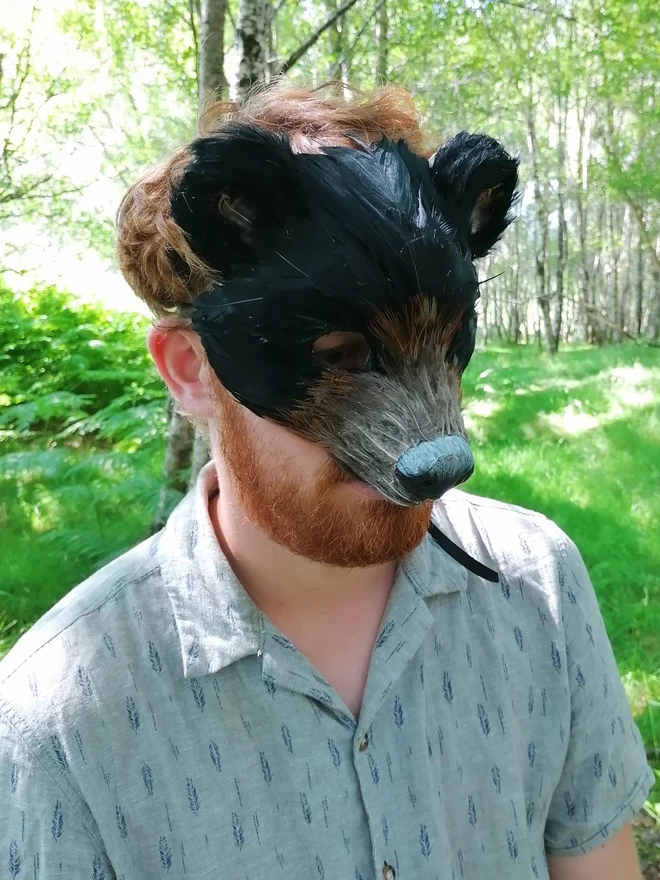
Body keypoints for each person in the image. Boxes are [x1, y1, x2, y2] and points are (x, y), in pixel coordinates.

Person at [0, 82, 653, 880]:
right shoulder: (58, 722)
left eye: (444, 348)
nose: (436, 443)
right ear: (192, 371)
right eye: (341, 358)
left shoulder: (540, 586)